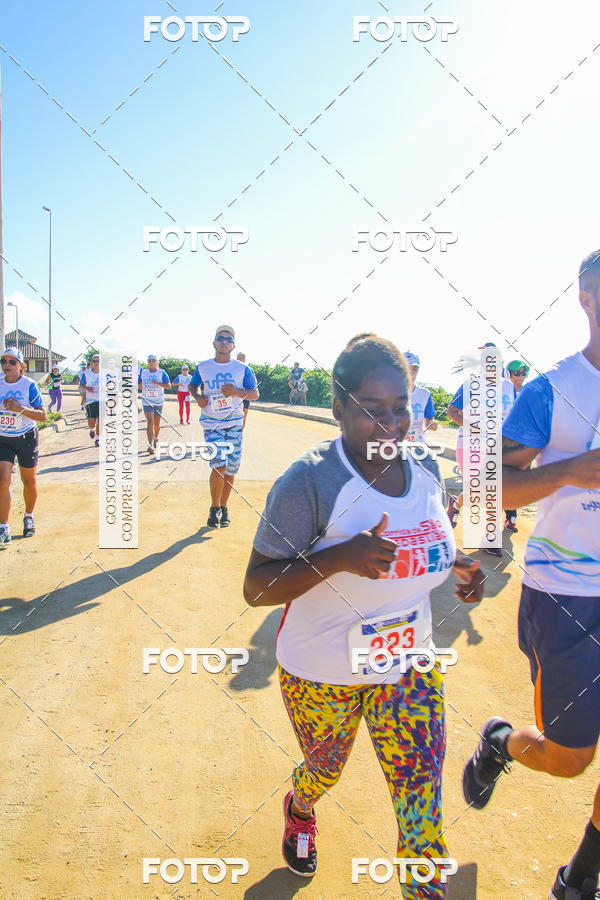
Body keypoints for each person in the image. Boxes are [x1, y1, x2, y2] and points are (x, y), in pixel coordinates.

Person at [243, 333, 484, 895]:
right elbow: (257, 588)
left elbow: (428, 541)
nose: (391, 424)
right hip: (322, 670)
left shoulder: (424, 466)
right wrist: (341, 558)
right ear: (338, 409)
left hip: (409, 668)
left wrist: (458, 568)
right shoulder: (310, 480)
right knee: (324, 770)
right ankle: (301, 808)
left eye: (400, 407)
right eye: (371, 411)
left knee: (422, 807)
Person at [462, 251, 600, 900]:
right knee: (571, 760)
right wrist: (570, 471)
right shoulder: (553, 389)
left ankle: (581, 877)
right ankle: (499, 743)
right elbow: (492, 489)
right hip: (568, 598)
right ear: (585, 299)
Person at [446, 343, 516, 556]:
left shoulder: (508, 386)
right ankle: (484, 532)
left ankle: (460, 509)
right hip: (470, 443)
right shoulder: (472, 384)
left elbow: (514, 415)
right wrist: (476, 428)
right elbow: (452, 411)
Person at [190, 326, 259, 528]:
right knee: (218, 464)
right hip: (212, 423)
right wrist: (198, 398)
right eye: (220, 338)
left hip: (234, 423)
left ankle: (224, 506)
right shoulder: (203, 367)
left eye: (228, 339)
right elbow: (193, 386)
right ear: (214, 343)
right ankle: (214, 509)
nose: (224, 342)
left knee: (230, 469)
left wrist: (237, 391)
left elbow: (254, 394)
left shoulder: (243, 369)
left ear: (233, 345)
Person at [0, 347, 46, 547]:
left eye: (12, 362)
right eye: (3, 361)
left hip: (26, 437)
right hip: (4, 438)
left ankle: (29, 516)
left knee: (29, 480)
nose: (6, 365)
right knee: (3, 481)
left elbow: (42, 415)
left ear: (21, 366)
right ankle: (4, 527)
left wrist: (20, 409)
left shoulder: (30, 386)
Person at [503, 359, 531, 532]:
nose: (520, 377)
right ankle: (510, 517)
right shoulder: (500, 393)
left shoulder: (528, 393)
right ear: (508, 374)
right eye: (516, 373)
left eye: (523, 373)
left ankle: (510, 515)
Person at [138, 355, 171, 454]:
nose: (151, 362)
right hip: (147, 400)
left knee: (157, 425)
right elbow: (139, 384)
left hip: (158, 401)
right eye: (149, 361)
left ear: (157, 362)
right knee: (150, 422)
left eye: (153, 361)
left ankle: (156, 437)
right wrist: (140, 386)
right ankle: (150, 445)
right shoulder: (144, 372)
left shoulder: (162, 373)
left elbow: (168, 386)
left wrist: (157, 383)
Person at [404, 352, 437, 442]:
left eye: (414, 369)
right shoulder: (389, 393)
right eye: (407, 368)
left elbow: (428, 422)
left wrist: (432, 425)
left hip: (418, 446)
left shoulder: (425, 394)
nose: (411, 373)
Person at [83, 354, 102, 447]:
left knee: (100, 420)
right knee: (91, 422)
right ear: (91, 363)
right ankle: (92, 429)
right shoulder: (87, 373)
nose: (96, 363)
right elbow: (81, 385)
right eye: (94, 361)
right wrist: (88, 389)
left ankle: (97, 438)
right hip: (90, 401)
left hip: (102, 400)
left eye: (98, 361)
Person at [237, 352, 252, 428]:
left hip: (245, 396)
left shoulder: (249, 370)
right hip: (234, 396)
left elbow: (254, 382)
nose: (241, 360)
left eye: (243, 358)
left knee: (243, 418)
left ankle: (239, 435)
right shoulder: (232, 370)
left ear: (245, 360)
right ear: (236, 359)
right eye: (239, 358)